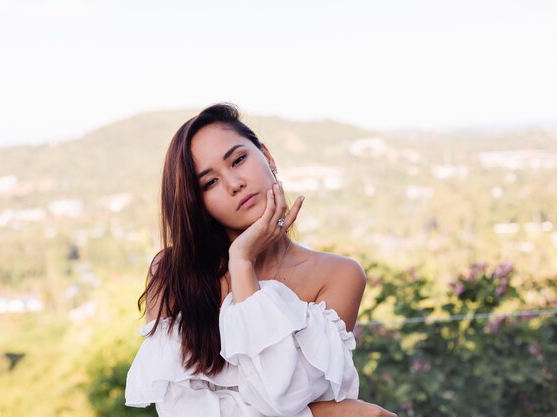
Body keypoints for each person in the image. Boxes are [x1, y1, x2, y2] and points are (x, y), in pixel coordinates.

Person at [125, 103, 397, 417]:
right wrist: (330, 414)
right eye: (209, 183)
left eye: (238, 160)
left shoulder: (338, 276)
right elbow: (180, 410)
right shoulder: (174, 274)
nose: (233, 184)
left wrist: (241, 267)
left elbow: (282, 399)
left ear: (267, 156)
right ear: (198, 204)